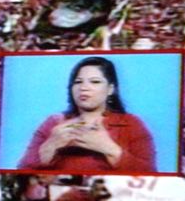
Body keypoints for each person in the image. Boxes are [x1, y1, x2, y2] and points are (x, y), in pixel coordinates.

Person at [19, 56, 156, 172]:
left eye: (95, 82)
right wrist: (51, 145)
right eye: (78, 82)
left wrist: (109, 149)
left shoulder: (131, 124)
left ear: (110, 89)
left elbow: (150, 172)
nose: (83, 88)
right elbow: (21, 170)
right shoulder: (54, 123)